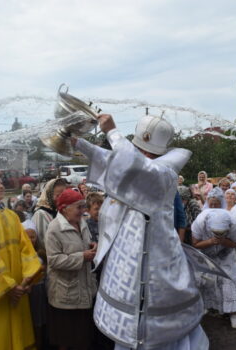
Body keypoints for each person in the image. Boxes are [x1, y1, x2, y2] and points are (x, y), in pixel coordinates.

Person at [73, 114, 208, 349]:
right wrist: (77, 142)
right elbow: (111, 159)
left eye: (149, 153)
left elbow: (139, 168)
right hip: (130, 262)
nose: (144, 156)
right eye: (140, 150)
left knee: (166, 332)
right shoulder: (142, 166)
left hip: (158, 264)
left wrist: (113, 132)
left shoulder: (164, 174)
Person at [0, 171, 42, 350]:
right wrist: (10, 286)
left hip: (19, 289)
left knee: (21, 336)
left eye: (1, 182)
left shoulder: (12, 216)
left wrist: (27, 278)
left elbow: (26, 249)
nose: (1, 186)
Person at [45, 189, 97, 350]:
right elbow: (54, 260)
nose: (83, 211)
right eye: (79, 207)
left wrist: (93, 245)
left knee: (82, 338)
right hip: (66, 294)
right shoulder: (54, 229)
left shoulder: (81, 222)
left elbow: (85, 243)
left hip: (85, 289)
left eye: (83, 206)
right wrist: (82, 257)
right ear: (64, 208)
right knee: (66, 339)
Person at [192, 207, 236, 328]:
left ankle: (233, 313)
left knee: (228, 278)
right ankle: (206, 305)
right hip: (206, 251)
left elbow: (235, 244)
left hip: (226, 252)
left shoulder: (233, 223)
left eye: (221, 232)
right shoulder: (200, 221)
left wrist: (223, 241)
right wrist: (210, 241)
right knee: (202, 277)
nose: (218, 234)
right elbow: (195, 244)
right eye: (215, 232)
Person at [23, 220, 48, 350]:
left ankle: (40, 344)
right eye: (26, 237)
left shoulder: (41, 253)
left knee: (39, 319)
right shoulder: (20, 254)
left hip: (39, 290)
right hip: (27, 292)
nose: (30, 240)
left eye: (32, 236)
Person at [32, 178, 67, 245]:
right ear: (49, 195)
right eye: (58, 195)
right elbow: (41, 240)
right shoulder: (40, 214)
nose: (61, 198)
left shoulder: (63, 211)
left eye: (63, 195)